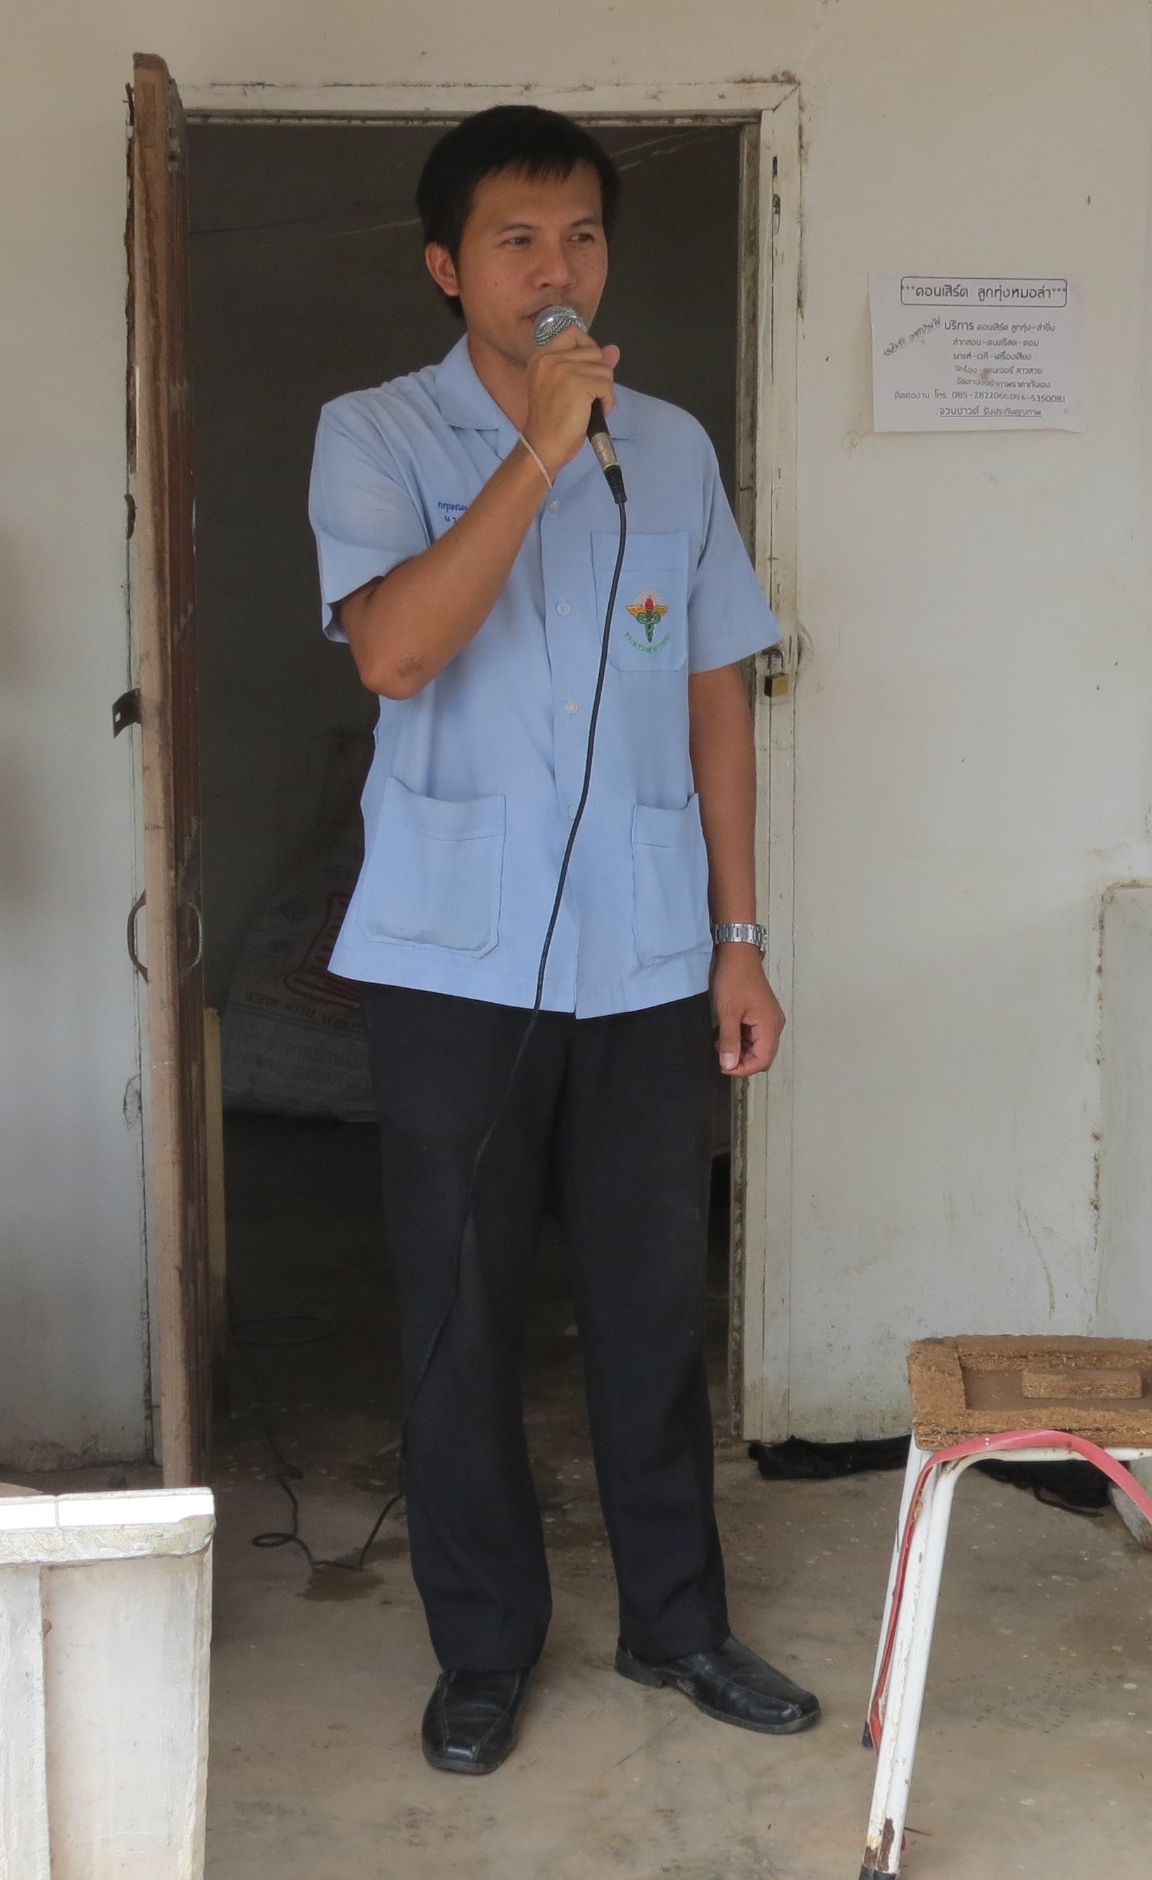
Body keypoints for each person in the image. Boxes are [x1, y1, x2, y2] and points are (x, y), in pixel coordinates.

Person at [308, 104, 818, 1779]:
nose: (556, 270)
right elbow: (394, 655)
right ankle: (484, 1646)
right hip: (451, 958)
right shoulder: (374, 434)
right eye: (517, 240)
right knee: (460, 1317)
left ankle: (677, 1622)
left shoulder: (666, 444)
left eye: (582, 237)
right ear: (446, 265)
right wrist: (534, 449)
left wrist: (739, 935)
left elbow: (715, 692)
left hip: (651, 953)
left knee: (654, 1306)